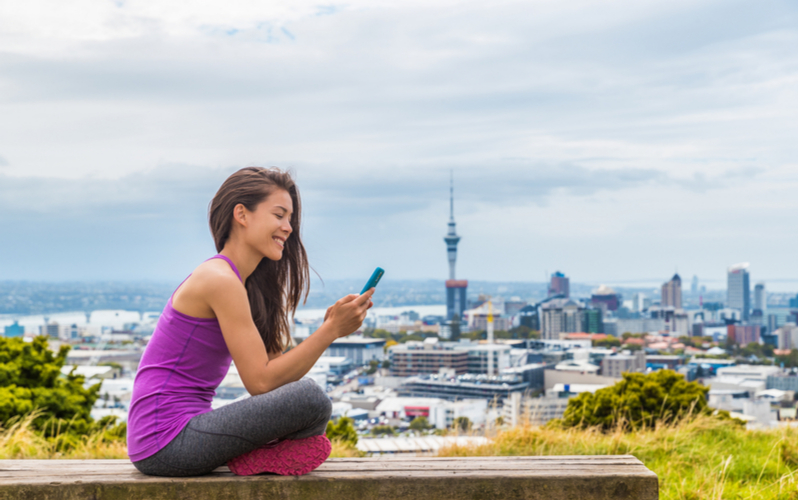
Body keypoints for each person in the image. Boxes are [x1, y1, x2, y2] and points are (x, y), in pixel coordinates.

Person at [127, 167, 374, 477]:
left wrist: (330, 327)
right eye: (279, 215)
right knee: (311, 398)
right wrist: (330, 331)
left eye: (290, 219)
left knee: (308, 399)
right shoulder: (219, 279)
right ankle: (263, 455)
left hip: (174, 438)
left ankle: (262, 456)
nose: (289, 228)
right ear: (241, 214)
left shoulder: (243, 285)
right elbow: (261, 383)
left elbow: (278, 379)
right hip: (166, 441)